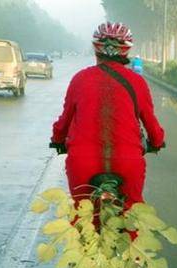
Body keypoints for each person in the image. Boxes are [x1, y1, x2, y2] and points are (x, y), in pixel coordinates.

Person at [51, 22, 165, 209]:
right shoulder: (138, 82)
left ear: (96, 49)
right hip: (128, 163)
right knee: (130, 215)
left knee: (83, 217)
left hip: (83, 162)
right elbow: (151, 123)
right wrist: (157, 141)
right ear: (126, 52)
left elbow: (64, 121)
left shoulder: (80, 79)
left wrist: (57, 139)